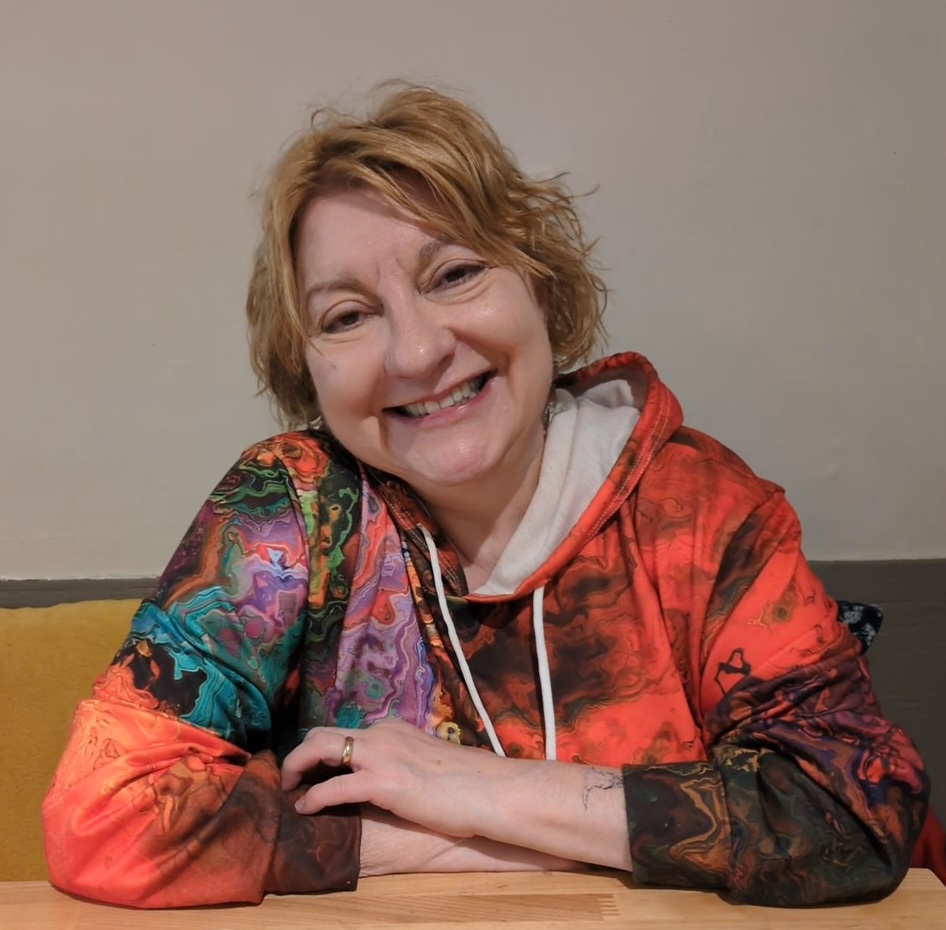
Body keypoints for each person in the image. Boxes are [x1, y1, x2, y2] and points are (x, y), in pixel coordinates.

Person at [43, 83, 929, 909]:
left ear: (539, 285)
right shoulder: (294, 509)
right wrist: (516, 839)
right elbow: (105, 817)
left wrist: (473, 789)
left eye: (454, 273)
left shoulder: (696, 509)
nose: (417, 352)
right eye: (348, 316)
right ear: (307, 367)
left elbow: (854, 809)